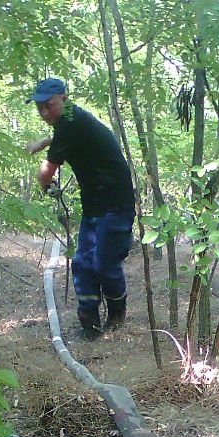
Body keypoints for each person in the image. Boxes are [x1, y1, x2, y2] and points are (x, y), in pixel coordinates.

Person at [26, 77, 135, 341]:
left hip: (116, 205)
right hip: (95, 205)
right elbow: (65, 137)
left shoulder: (72, 123)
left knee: (104, 263)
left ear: (64, 99)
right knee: (83, 263)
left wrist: (46, 186)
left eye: (48, 105)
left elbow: (45, 173)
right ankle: (89, 323)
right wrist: (44, 142)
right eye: (39, 107)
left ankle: (117, 316)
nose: (44, 112)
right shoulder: (73, 119)